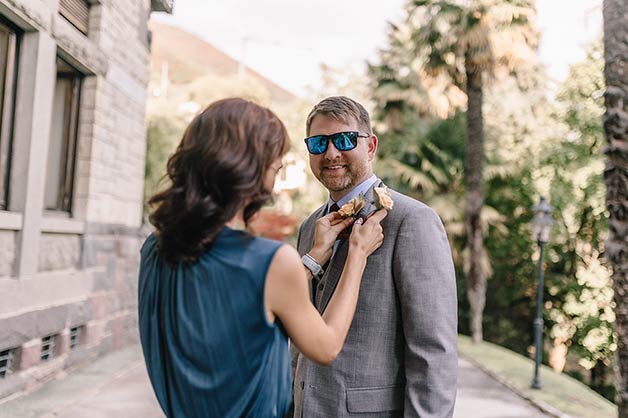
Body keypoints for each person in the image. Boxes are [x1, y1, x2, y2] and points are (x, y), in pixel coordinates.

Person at [137, 97, 388, 418]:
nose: (279, 171)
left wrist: (312, 258)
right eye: (275, 164)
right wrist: (357, 254)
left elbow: (242, 306)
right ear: (250, 170)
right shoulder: (270, 261)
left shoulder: (154, 249)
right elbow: (326, 347)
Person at [289, 96, 458, 418]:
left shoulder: (412, 220)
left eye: (344, 140)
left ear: (370, 146)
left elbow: (433, 350)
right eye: (318, 143)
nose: (331, 153)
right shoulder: (310, 226)